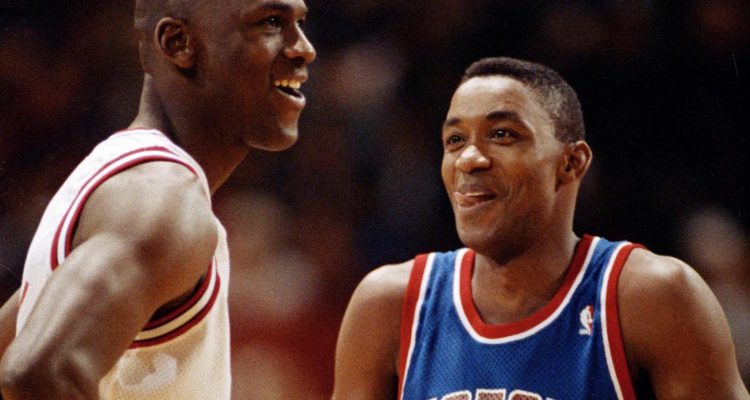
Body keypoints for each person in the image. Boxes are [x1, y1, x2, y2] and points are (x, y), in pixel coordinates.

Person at [332, 57, 750, 400]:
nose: (469, 159)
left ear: (571, 163)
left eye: (502, 134)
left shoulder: (653, 297)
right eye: (455, 140)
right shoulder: (389, 304)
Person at [0, 0, 316, 398]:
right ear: (178, 43)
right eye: (271, 22)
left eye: (299, 23)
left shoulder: (131, 185)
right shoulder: (162, 201)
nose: (304, 48)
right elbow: (35, 374)